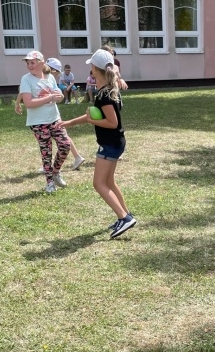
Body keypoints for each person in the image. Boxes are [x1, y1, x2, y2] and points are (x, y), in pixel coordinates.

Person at [60, 49, 136, 239]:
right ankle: (126, 215)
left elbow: (112, 123)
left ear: (95, 70)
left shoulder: (105, 95)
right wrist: (70, 123)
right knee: (109, 182)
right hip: (115, 142)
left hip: (109, 144)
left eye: (91, 67)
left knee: (99, 184)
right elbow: (93, 117)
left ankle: (124, 218)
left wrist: (92, 120)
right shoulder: (109, 91)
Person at [19, 51, 71, 193]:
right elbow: (28, 103)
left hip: (54, 119)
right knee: (46, 152)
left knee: (65, 145)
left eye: (32, 62)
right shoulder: (26, 79)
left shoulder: (49, 77)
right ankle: (49, 183)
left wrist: (59, 96)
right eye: (28, 63)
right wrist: (49, 98)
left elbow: (56, 94)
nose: (29, 65)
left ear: (42, 63)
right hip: (38, 122)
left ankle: (55, 172)